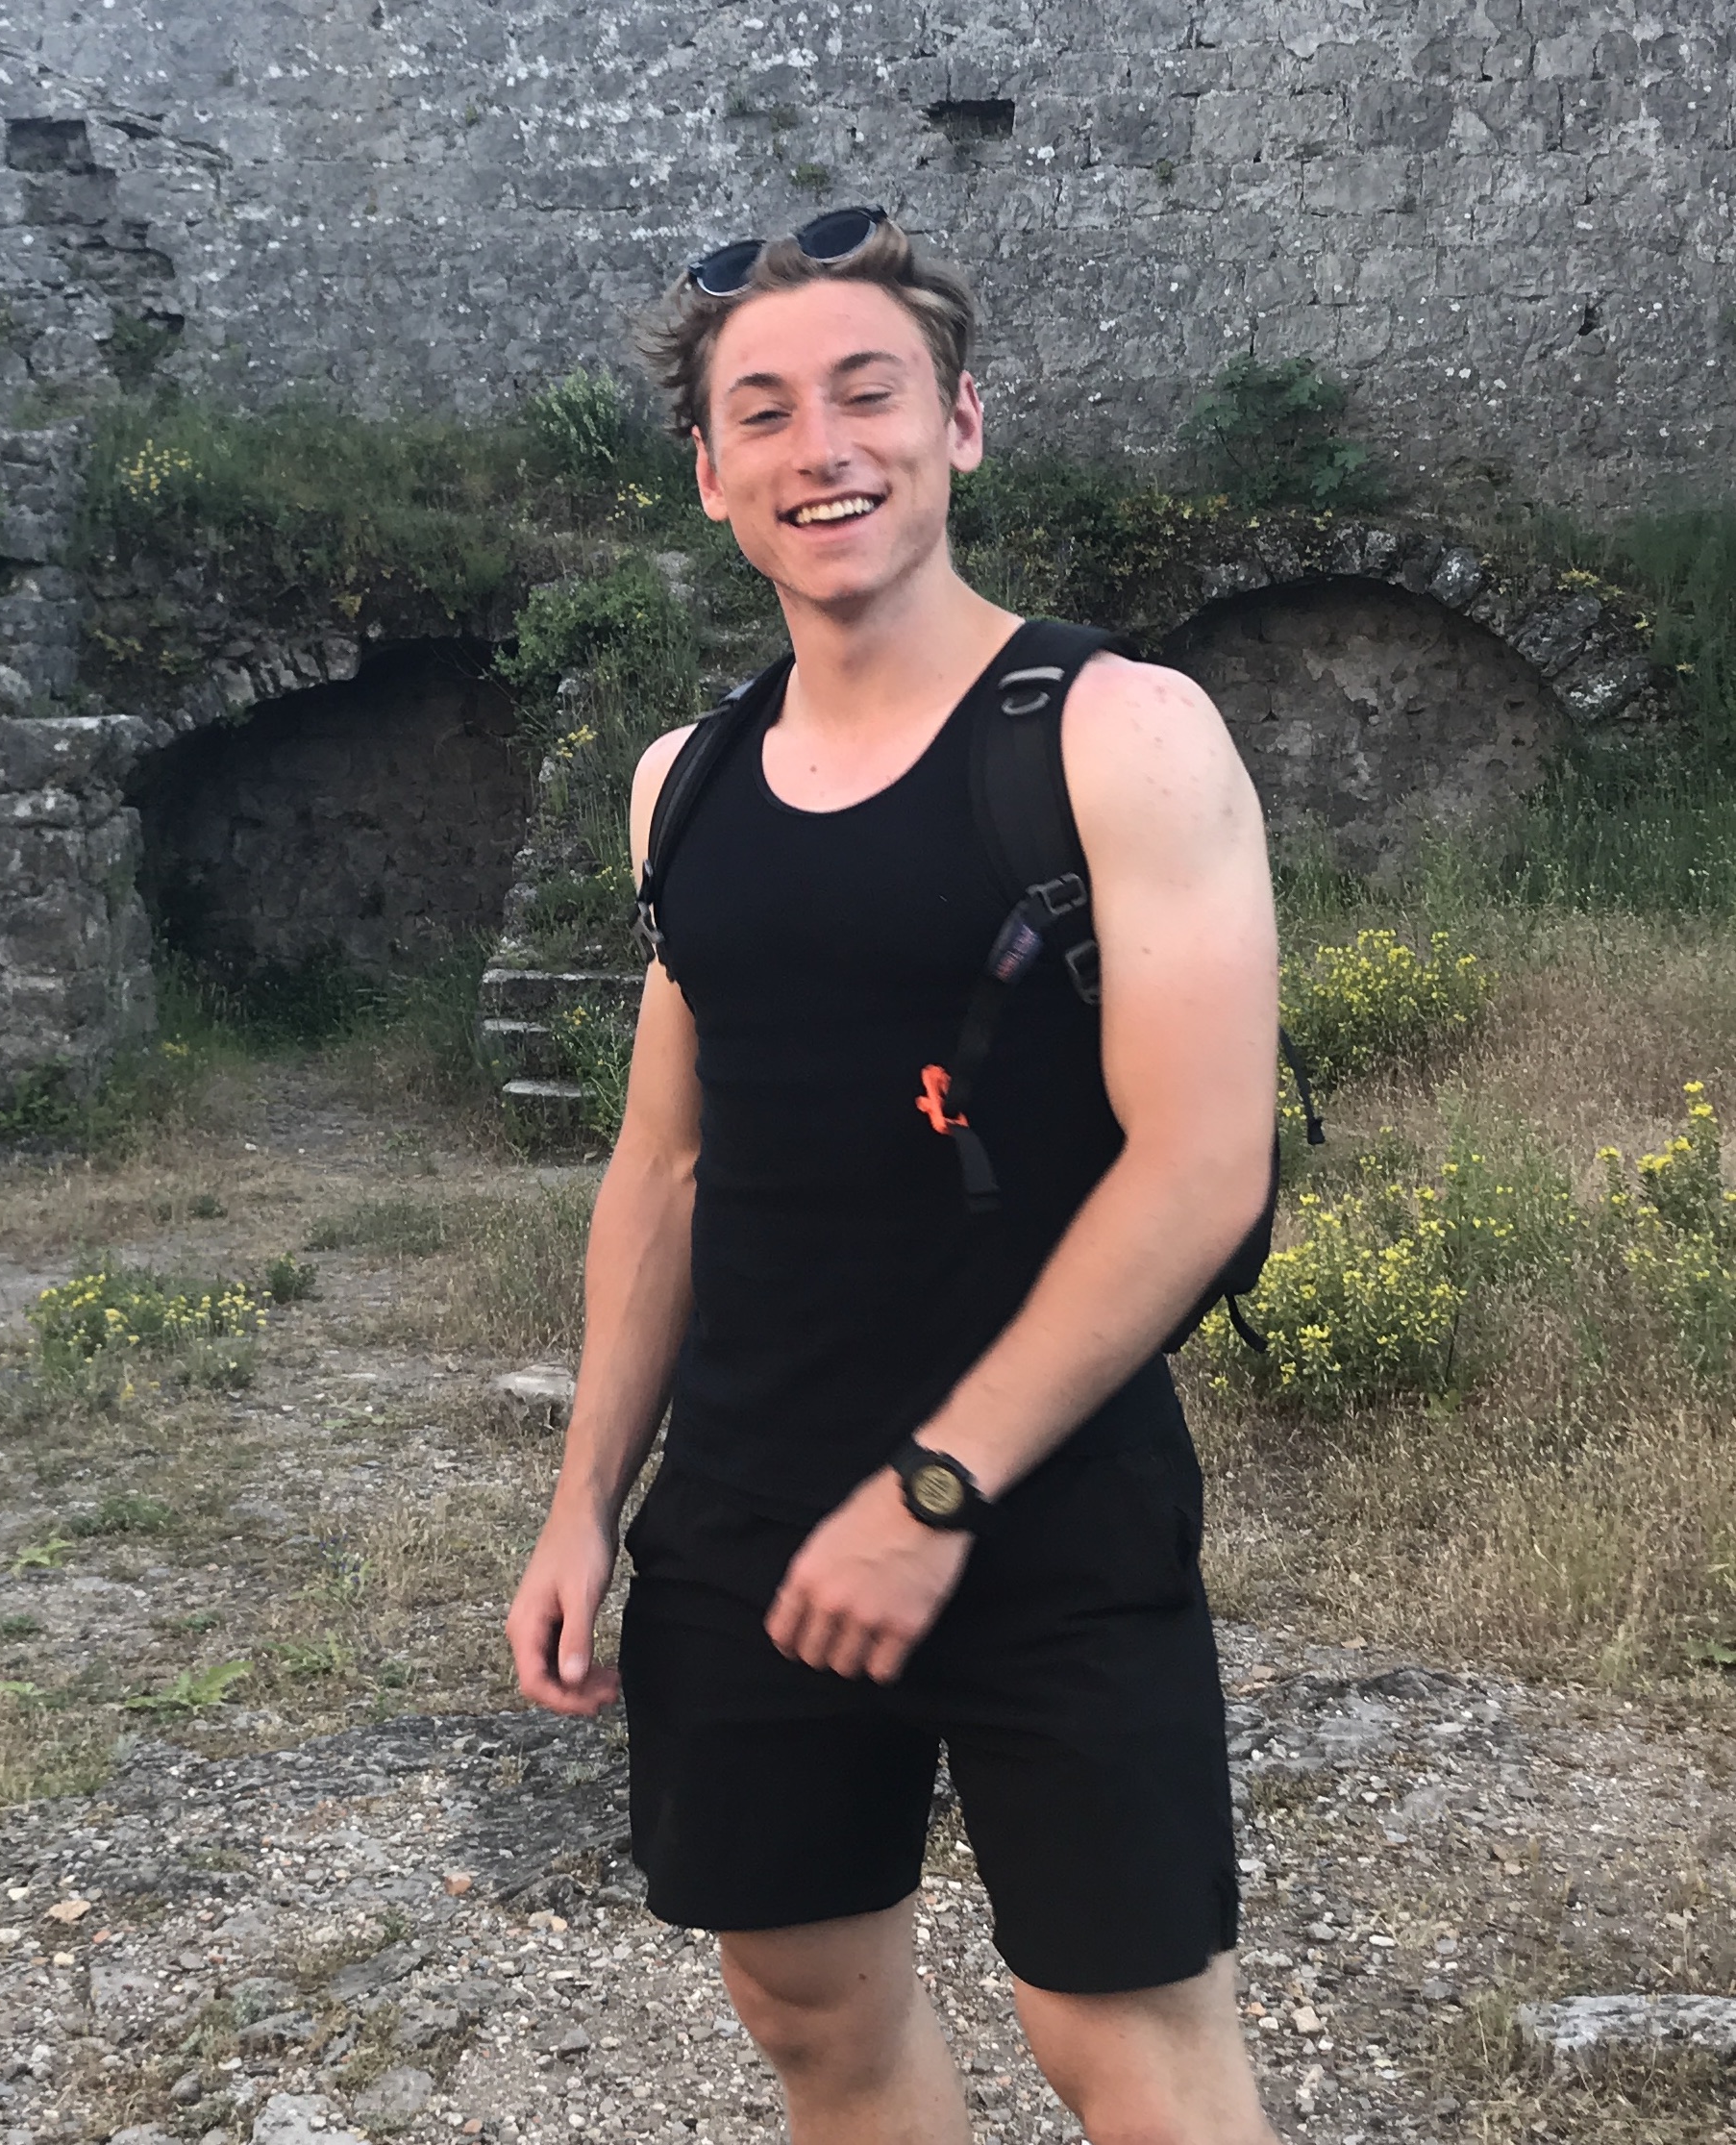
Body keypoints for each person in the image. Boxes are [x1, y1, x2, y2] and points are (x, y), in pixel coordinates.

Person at [506, 205, 1280, 2145]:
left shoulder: (1114, 735)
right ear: (708, 478)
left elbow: (1202, 1173)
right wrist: (586, 1499)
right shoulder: (682, 782)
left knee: (1128, 2042)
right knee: (814, 2022)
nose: (819, 447)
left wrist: (936, 1491)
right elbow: (668, 1168)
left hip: (1045, 1506)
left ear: (961, 425)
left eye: (869, 393)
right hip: (746, 1505)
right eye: (759, 413)